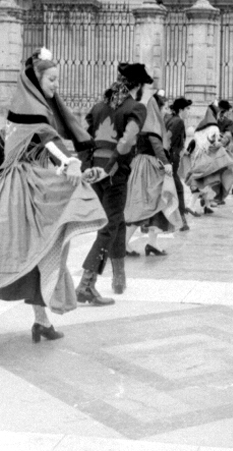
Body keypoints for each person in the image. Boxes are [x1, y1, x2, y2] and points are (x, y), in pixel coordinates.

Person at [0, 48, 107, 349]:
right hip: (19, 196)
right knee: (17, 258)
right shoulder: (35, 116)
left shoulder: (27, 111)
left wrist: (75, 169)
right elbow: (54, 149)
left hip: (21, 191)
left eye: (56, 79)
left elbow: (47, 151)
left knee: (33, 256)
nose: (56, 85)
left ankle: (41, 321)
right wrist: (73, 166)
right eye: (51, 79)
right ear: (36, 80)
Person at [77, 63, 152, 297]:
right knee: (109, 226)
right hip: (114, 171)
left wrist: (89, 167)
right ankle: (86, 283)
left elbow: (83, 138)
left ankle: (119, 279)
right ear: (137, 86)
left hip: (96, 170)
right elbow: (127, 141)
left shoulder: (99, 106)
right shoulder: (136, 107)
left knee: (117, 222)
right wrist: (108, 168)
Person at [124, 91, 183, 258]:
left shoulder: (147, 122)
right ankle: (124, 243)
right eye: (163, 107)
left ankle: (152, 244)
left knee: (156, 205)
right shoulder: (152, 124)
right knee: (146, 206)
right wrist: (166, 163)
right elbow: (157, 146)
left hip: (145, 166)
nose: (165, 110)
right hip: (148, 168)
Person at [185, 103, 233, 214]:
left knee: (207, 182)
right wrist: (225, 142)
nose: (220, 116)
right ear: (215, 114)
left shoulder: (200, 127)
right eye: (219, 113)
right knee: (205, 183)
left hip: (199, 158)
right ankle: (190, 206)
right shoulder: (214, 127)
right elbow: (215, 144)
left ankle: (206, 205)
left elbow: (196, 142)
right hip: (210, 160)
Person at [166, 96, 193, 230]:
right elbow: (167, 139)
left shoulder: (170, 119)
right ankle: (182, 221)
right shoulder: (178, 122)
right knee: (178, 190)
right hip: (170, 162)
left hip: (170, 160)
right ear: (181, 109)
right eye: (187, 108)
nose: (189, 111)